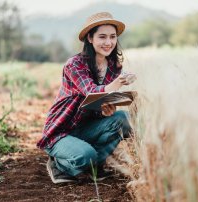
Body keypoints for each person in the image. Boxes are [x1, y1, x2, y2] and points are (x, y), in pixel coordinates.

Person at [36, 12, 136, 184]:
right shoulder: (75, 64)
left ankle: (94, 166)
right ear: (90, 38)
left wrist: (106, 111)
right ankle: (58, 165)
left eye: (112, 37)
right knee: (86, 156)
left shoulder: (114, 67)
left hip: (86, 128)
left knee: (124, 119)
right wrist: (118, 83)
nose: (108, 42)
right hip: (62, 131)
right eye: (102, 37)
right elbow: (91, 92)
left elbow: (99, 102)